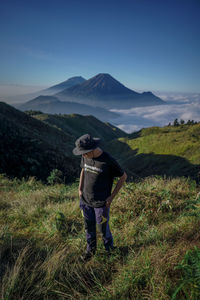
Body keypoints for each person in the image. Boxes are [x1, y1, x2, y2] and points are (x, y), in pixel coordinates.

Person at [73, 134, 127, 261]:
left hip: (101, 203)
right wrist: (80, 189)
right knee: (88, 228)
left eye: (84, 153)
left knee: (103, 230)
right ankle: (90, 251)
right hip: (85, 201)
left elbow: (123, 176)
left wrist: (111, 197)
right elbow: (83, 170)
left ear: (92, 150)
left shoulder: (107, 160)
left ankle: (110, 251)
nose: (82, 155)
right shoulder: (85, 156)